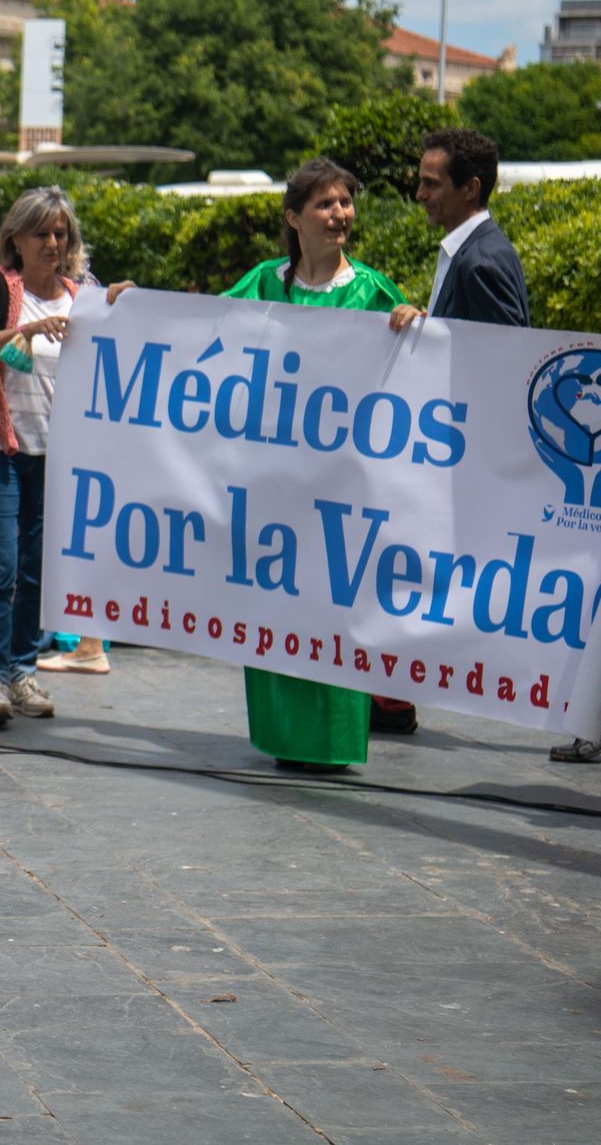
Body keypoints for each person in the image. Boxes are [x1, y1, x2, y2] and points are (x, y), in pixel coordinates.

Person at [391, 128, 601, 758]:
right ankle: (392, 695)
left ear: (468, 187)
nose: (418, 192)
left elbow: (511, 357)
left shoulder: (481, 258)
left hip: (479, 455)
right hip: (467, 451)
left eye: (430, 182)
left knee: (510, 583)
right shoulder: (470, 251)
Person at [213, 159, 407, 768]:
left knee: (333, 607)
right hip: (271, 484)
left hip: (341, 487)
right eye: (326, 204)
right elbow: (198, 330)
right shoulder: (262, 283)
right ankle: (283, 737)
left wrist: (415, 324)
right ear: (294, 218)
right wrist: (129, 308)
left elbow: (419, 377)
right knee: (272, 603)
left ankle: (332, 742)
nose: (340, 213)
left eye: (346, 202)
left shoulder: (375, 292)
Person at [0, 185, 101, 727]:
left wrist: (125, 301)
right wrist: (28, 327)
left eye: (60, 232)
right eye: (41, 232)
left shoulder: (81, 291)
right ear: (15, 238)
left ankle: (23, 671)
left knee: (38, 571)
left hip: (54, 455)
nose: (52, 242)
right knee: (1, 567)